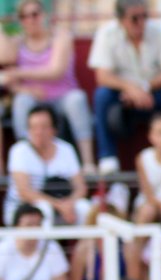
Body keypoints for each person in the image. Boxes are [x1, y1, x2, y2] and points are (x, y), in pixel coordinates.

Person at [88, 0, 161, 175]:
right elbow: (102, 76)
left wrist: (144, 88)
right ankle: (107, 157)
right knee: (102, 95)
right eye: (135, 18)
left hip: (155, 92)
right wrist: (130, 89)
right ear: (121, 19)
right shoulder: (106, 34)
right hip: (123, 96)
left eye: (144, 16)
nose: (141, 22)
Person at [0, 0, 96, 173]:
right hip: (32, 98)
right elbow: (8, 74)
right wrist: (27, 89)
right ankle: (27, 161)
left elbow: (56, 71)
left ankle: (88, 163)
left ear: (44, 15)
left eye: (34, 14)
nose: (30, 20)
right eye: (23, 16)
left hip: (63, 96)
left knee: (76, 100)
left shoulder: (61, 36)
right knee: (21, 102)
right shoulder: (17, 42)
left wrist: (18, 72)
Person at [3, 103, 90, 227]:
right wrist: (58, 205)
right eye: (33, 127)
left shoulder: (66, 149)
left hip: (62, 206)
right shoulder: (19, 151)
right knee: (43, 208)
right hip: (23, 208)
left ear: (54, 129)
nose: (38, 132)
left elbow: (80, 187)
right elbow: (24, 192)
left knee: (84, 207)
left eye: (43, 127)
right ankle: (44, 247)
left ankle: (84, 247)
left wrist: (70, 203)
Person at [0, 204, 69, 280]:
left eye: (38, 225)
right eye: (29, 225)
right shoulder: (3, 250)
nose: (34, 229)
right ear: (17, 227)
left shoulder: (52, 248)